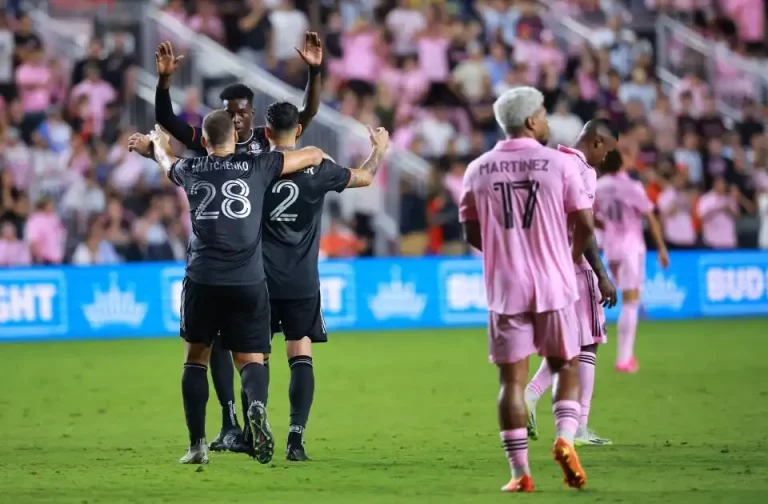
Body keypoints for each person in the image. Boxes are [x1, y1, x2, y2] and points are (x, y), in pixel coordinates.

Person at [153, 36, 323, 453]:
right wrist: (164, 83)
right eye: (230, 112)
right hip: (239, 264)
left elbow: (305, 115)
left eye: (243, 112)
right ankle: (232, 421)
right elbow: (168, 121)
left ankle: (244, 423)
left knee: (243, 349)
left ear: (254, 114)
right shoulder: (218, 142)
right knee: (228, 345)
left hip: (259, 263)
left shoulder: (265, 142)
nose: (237, 118)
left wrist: (314, 72)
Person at [127, 110, 326, 465]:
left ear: (203, 142)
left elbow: (167, 161)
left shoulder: (191, 169)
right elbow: (309, 156)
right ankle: (257, 407)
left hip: (202, 279)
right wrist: (315, 154)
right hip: (248, 280)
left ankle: (197, 446)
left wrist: (155, 143)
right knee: (250, 360)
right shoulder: (259, 166)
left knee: (195, 360)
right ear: (235, 138)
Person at [458, 86, 595, 493]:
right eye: (545, 114)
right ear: (532, 121)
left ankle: (520, 473)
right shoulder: (560, 163)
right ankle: (565, 439)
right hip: (554, 283)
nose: (547, 120)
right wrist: (568, 257)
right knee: (566, 365)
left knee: (511, 382)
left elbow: (470, 231)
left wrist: (505, 252)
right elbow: (586, 223)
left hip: (506, 287)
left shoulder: (478, 169)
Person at [257, 101, 389, 461]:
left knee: (256, 357)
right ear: (298, 130)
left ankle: (256, 424)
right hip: (301, 280)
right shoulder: (318, 167)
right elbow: (364, 177)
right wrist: (378, 150)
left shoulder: (255, 167)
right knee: (300, 353)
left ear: (266, 132)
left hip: (258, 280)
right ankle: (296, 439)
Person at [524, 120, 619, 447]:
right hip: (573, 267)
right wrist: (601, 274)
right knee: (588, 343)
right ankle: (579, 428)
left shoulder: (549, 162)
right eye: (607, 151)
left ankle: (531, 394)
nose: (605, 159)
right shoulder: (583, 171)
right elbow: (583, 227)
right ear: (597, 142)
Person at [594, 148, 670, 373]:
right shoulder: (632, 186)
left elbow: (590, 216)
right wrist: (661, 248)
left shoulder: (599, 186)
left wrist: (608, 227)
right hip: (630, 248)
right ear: (620, 162)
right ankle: (624, 358)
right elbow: (650, 217)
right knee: (631, 301)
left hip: (610, 249)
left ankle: (622, 355)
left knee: (625, 299)